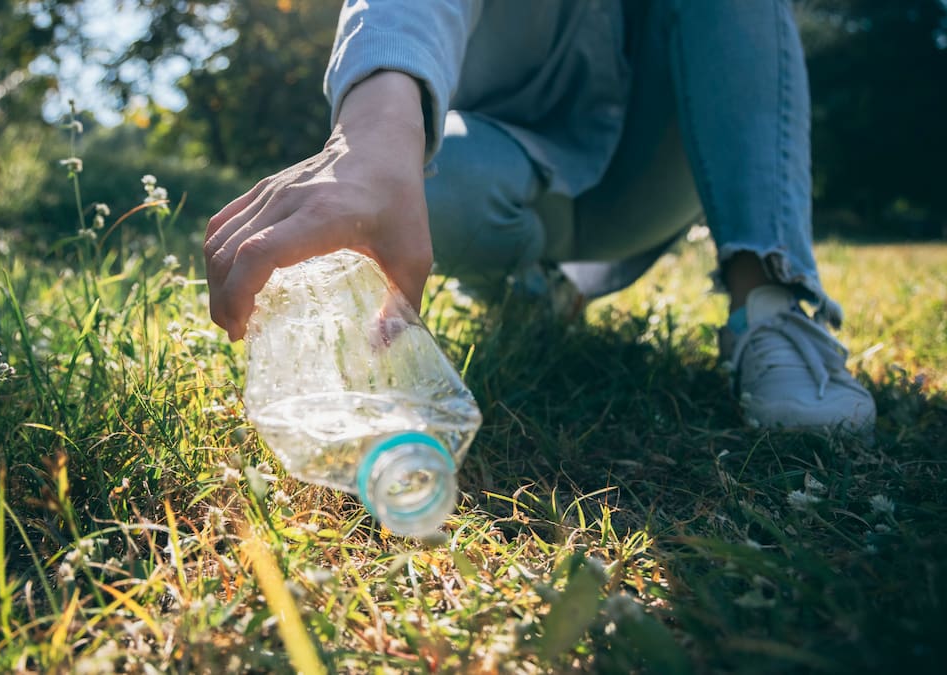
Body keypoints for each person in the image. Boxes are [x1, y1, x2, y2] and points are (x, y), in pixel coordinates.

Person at [203, 0, 876, 434]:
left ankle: (770, 305)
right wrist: (372, 141)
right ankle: (538, 288)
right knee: (428, 186)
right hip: (511, 159)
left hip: (659, 158)